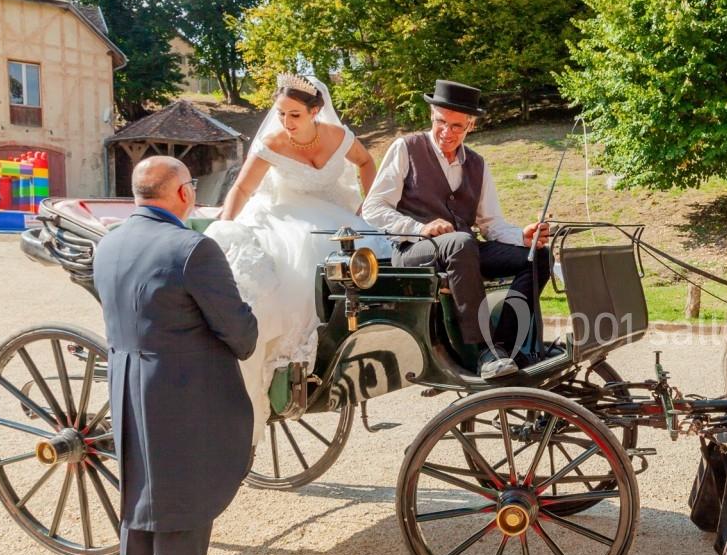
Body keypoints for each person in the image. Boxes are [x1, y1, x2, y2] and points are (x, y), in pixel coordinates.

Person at [93, 155, 258, 555]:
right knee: (184, 490)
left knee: (141, 489)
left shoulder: (109, 243)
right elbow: (240, 333)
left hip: (127, 379)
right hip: (184, 384)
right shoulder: (193, 250)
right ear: (184, 193)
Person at [206, 73, 390, 433]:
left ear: (315, 111)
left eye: (295, 115)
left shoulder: (338, 136)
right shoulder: (273, 141)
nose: (286, 123)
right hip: (284, 214)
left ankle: (359, 335)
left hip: (335, 214)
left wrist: (367, 207)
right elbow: (243, 188)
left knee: (372, 250)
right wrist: (226, 224)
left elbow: (367, 164)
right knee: (305, 252)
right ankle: (294, 354)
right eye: (281, 114)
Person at [362, 79, 550, 379]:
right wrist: (418, 227)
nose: (446, 132)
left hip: (463, 250)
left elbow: (491, 224)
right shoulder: (406, 148)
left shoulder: (477, 164)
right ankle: (482, 351)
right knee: (461, 242)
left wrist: (522, 238)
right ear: (431, 116)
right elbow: (373, 207)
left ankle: (504, 344)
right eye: (441, 122)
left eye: (456, 126)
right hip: (413, 251)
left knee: (538, 257)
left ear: (470, 126)